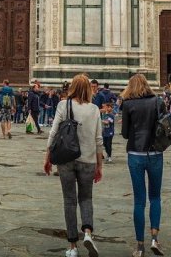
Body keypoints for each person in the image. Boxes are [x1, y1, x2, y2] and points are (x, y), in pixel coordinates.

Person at [44, 73, 103, 257]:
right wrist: (99, 166)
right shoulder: (94, 109)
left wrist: (47, 157)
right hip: (88, 160)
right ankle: (87, 232)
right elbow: (99, 140)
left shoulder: (63, 105)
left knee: (69, 201)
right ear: (88, 89)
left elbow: (54, 133)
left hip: (66, 159)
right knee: (86, 199)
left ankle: (72, 247)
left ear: (72, 88)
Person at [121, 73, 166, 257]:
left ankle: (140, 246)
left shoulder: (128, 104)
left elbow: (124, 133)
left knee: (139, 201)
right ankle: (155, 238)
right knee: (155, 197)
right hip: (155, 153)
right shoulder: (157, 101)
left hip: (135, 154)